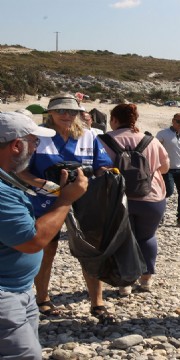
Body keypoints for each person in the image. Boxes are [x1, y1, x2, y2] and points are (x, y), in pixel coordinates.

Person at [18, 94, 116, 323]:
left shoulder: (89, 137)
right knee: (45, 251)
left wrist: (102, 176)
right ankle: (42, 298)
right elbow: (20, 170)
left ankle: (97, 302)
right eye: (61, 111)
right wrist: (44, 184)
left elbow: (103, 166)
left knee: (90, 251)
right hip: (44, 202)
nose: (67, 115)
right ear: (50, 112)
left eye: (72, 111)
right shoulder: (37, 137)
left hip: (83, 201)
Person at [0, 112, 88, 359]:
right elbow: (32, 241)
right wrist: (66, 199)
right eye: (34, 142)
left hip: (20, 288)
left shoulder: (7, 179)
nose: (36, 147)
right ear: (16, 145)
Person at [98, 104, 170, 295]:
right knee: (147, 237)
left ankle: (125, 283)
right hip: (152, 196)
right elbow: (164, 168)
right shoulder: (150, 141)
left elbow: (97, 170)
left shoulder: (103, 141)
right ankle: (146, 279)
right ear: (134, 120)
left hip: (118, 198)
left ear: (113, 119)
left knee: (122, 239)